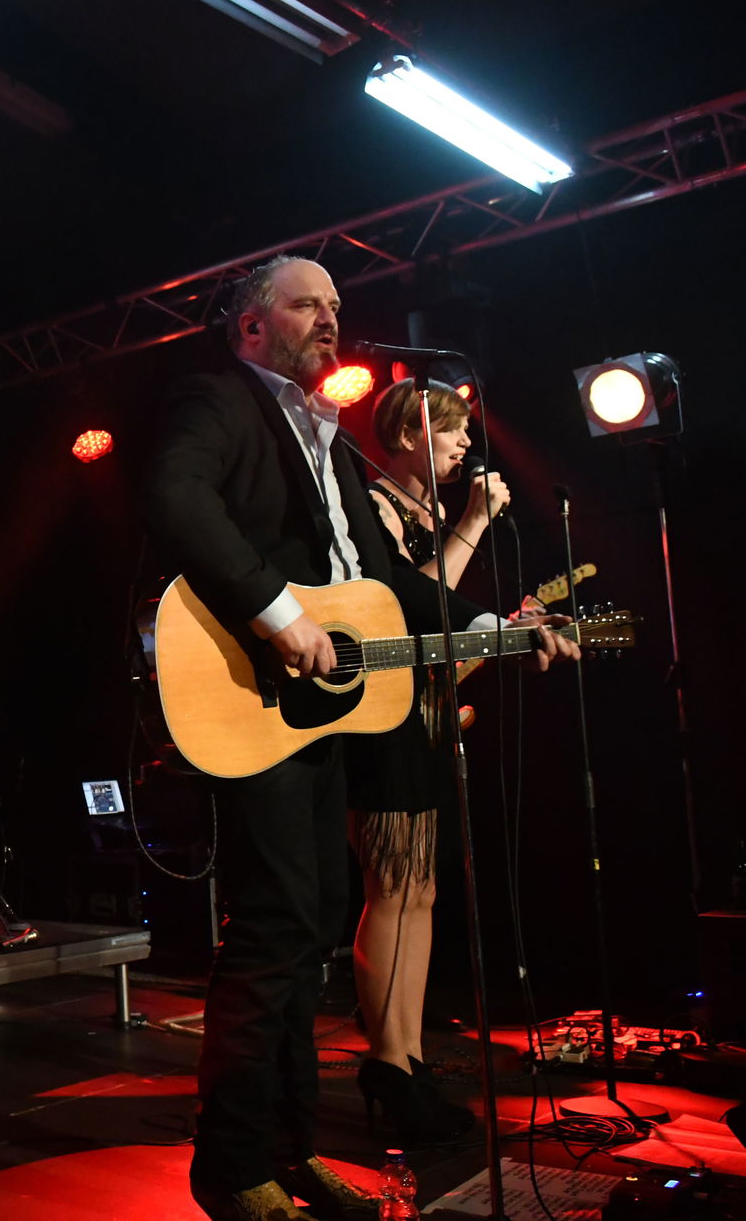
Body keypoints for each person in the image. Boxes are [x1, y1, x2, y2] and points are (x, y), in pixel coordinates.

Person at [139, 255, 574, 1221]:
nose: (332, 321)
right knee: (272, 932)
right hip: (254, 694)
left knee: (313, 930)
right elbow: (176, 499)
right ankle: (233, 1167)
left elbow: (390, 587)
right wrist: (276, 612)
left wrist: (499, 629)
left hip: (320, 715)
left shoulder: (332, 443)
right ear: (252, 326)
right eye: (307, 305)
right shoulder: (215, 398)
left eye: (337, 306)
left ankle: (290, 1153)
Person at [347, 379, 510, 1143]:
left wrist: (501, 626)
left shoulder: (423, 512)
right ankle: (386, 1058)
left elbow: (434, 605)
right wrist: (474, 521)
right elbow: (408, 597)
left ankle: (405, 1058)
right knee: (392, 888)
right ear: (412, 433)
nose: (465, 445)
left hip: (421, 712)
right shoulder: (374, 506)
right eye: (451, 430)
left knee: (420, 890)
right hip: (377, 716)